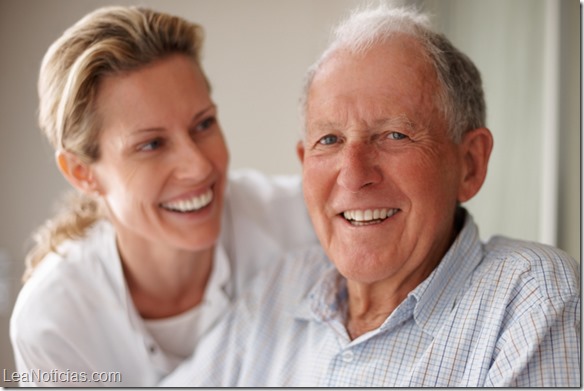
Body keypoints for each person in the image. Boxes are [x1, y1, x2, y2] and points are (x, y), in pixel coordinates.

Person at [160, 4, 580, 387]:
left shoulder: (528, 296)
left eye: (395, 135)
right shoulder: (279, 287)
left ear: (470, 164)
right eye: (330, 139)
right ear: (304, 161)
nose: (354, 174)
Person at [9, 6, 317, 387]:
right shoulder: (53, 323)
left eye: (203, 124)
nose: (199, 166)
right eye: (152, 144)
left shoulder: (304, 225)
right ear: (82, 173)